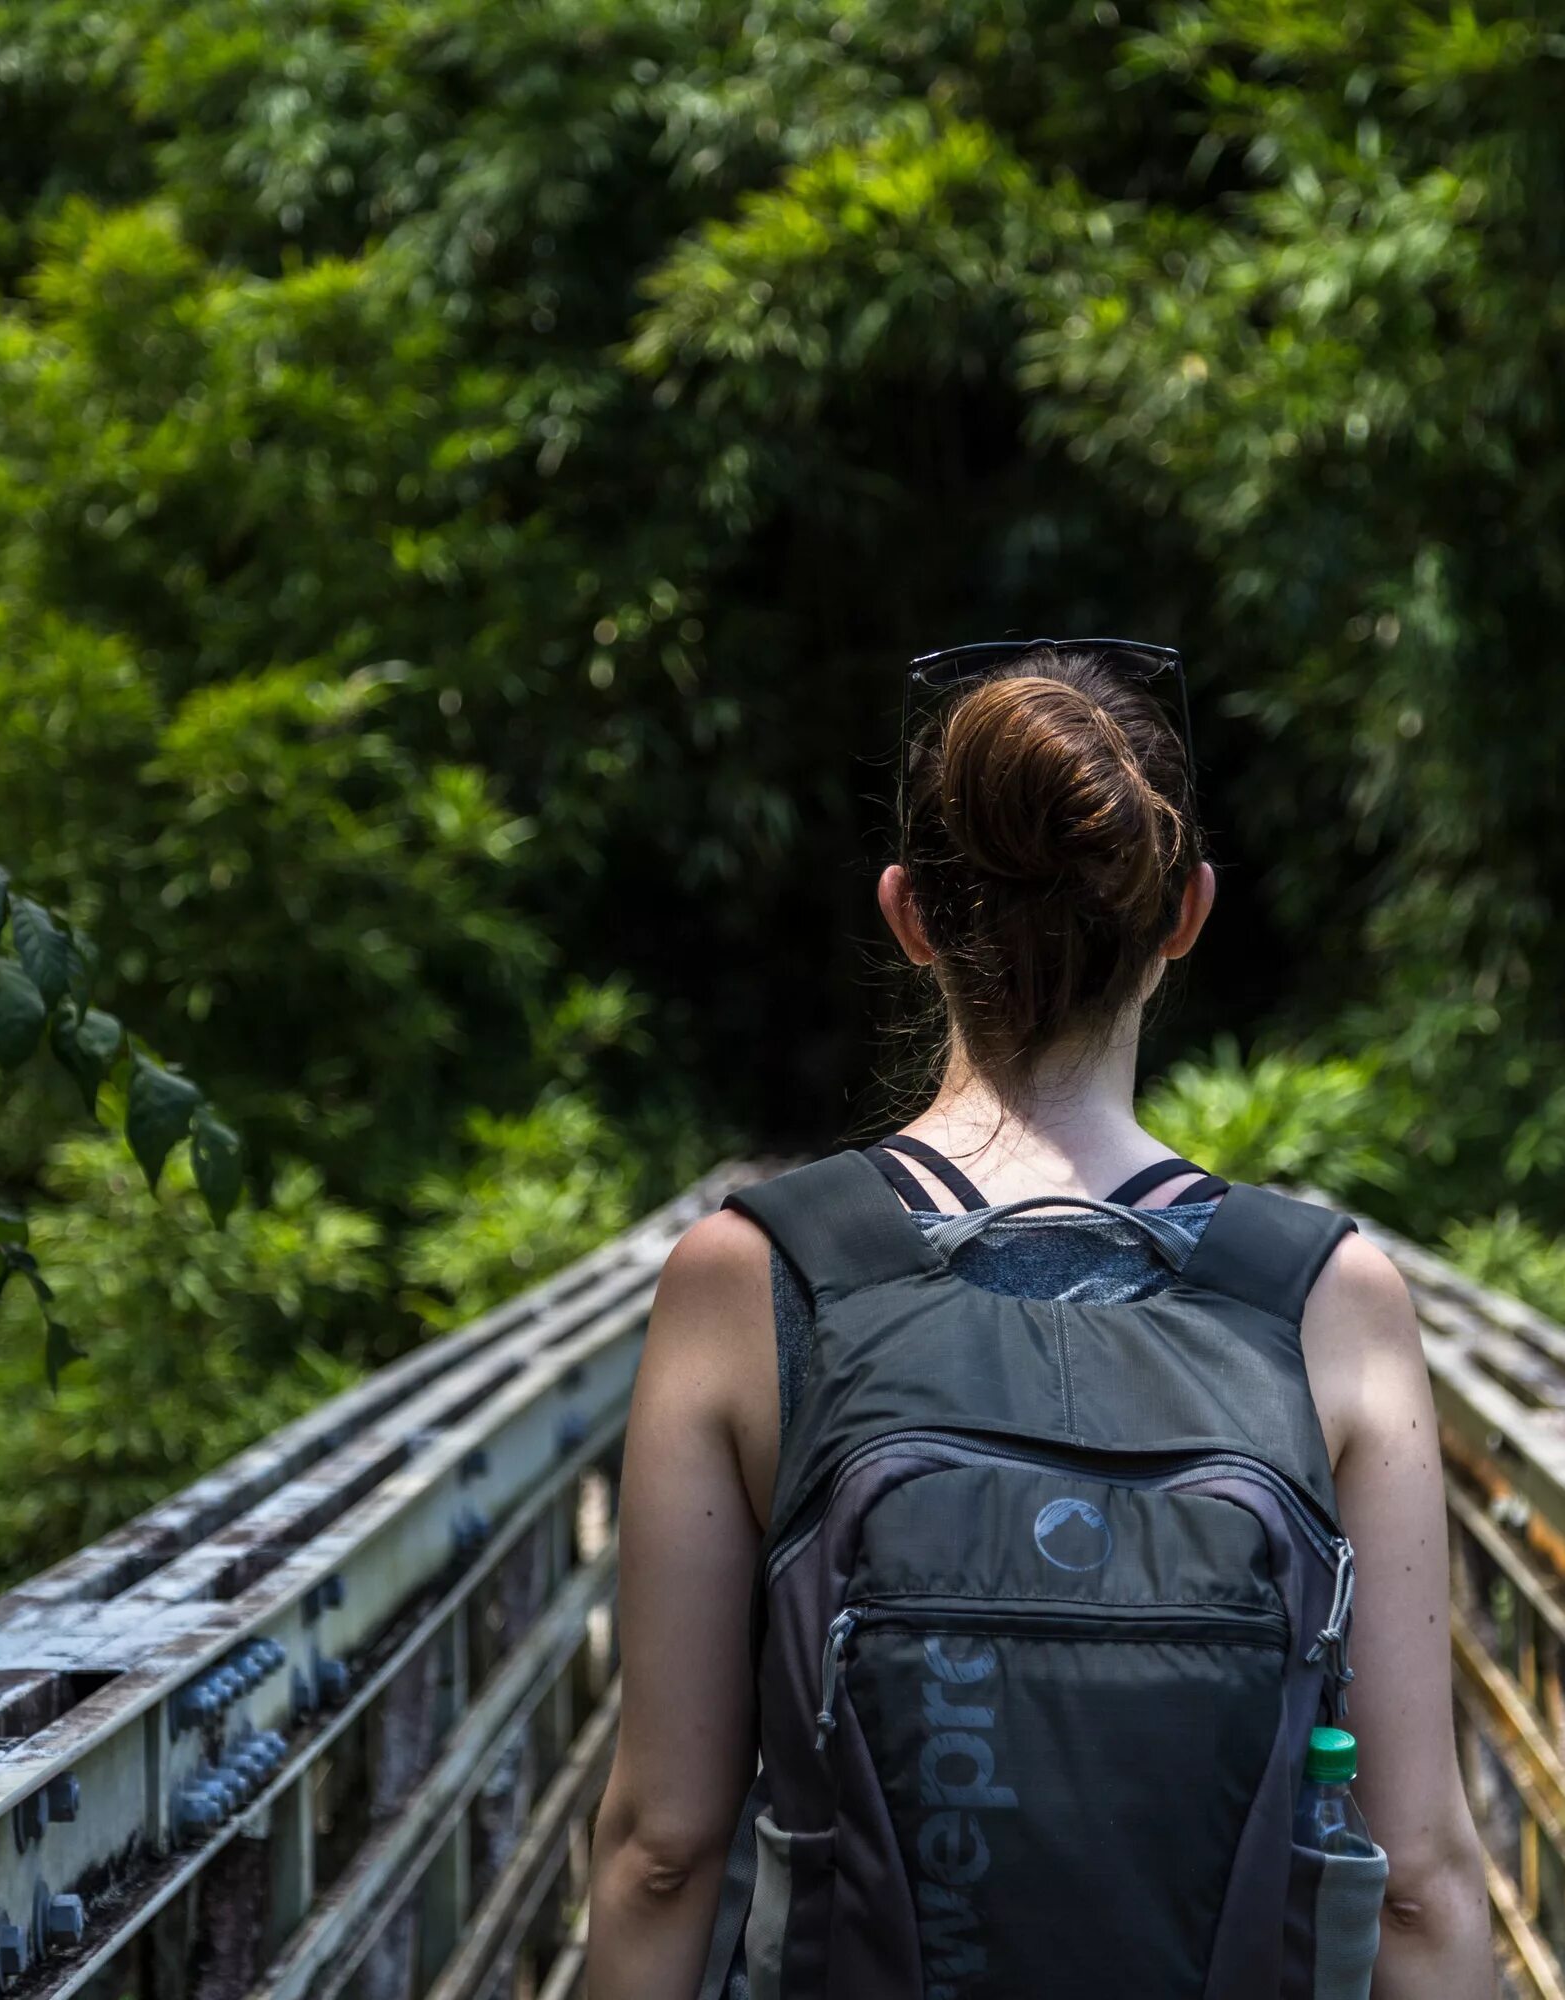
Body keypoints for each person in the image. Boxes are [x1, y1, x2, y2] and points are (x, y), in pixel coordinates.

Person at [589, 643, 1493, 1999]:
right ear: (1186, 913)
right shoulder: (1322, 1296)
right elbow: (1417, 1872)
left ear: (908, 915)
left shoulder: (754, 1276)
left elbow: (663, 1847)